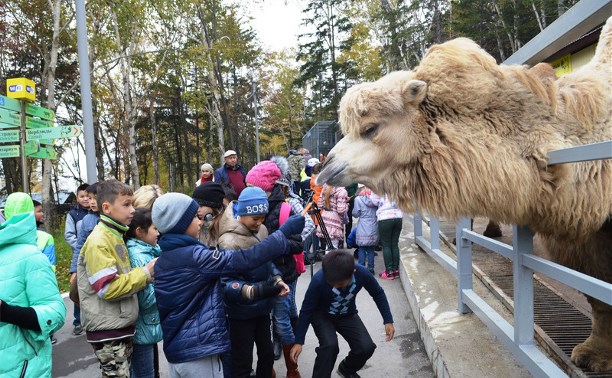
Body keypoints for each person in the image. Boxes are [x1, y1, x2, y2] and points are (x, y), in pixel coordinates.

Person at [151, 192, 304, 378]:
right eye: (195, 217)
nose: (200, 222)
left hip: (177, 353)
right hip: (201, 352)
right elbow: (246, 258)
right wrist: (283, 233)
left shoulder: (162, 259)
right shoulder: (197, 258)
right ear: (180, 224)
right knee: (242, 362)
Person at [77, 179, 156, 377]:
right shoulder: (99, 240)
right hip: (108, 331)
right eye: (126, 204)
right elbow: (107, 289)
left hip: (118, 328)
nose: (132, 210)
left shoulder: (114, 235)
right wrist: (145, 274)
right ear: (107, 207)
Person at [218, 187, 290, 378]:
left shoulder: (262, 230)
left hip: (263, 309)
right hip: (240, 313)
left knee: (267, 355)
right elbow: (226, 283)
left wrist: (277, 279)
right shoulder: (228, 241)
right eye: (255, 219)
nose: (259, 223)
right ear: (242, 213)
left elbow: (267, 261)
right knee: (242, 360)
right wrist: (253, 291)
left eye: (262, 218)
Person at [290, 250, 395, 378]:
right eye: (331, 282)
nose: (334, 285)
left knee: (366, 347)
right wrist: (299, 341)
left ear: (352, 273)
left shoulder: (362, 273)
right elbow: (306, 310)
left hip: (347, 314)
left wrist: (388, 320)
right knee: (330, 346)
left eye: (339, 284)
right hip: (322, 315)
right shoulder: (319, 280)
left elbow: (378, 293)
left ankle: (347, 369)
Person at [246, 158, 305, 377]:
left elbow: (298, 244)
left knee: (281, 320)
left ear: (267, 188)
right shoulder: (248, 210)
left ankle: (292, 369)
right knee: (283, 314)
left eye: (254, 186)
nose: (249, 190)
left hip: (283, 273)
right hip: (260, 275)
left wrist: (273, 242)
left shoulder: (284, 210)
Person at [0, 194, 66, 377]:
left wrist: (5, 311)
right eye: (38, 210)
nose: (42, 213)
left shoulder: (33, 253)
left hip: (24, 368)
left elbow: (55, 311)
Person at [125, 208, 162, 378]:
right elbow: (145, 300)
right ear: (140, 231)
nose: (158, 232)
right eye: (154, 228)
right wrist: (168, 288)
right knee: (145, 373)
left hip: (147, 325)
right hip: (142, 328)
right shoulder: (139, 257)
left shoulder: (149, 251)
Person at [371, 193, 404, 280]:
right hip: (398, 216)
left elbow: (373, 201)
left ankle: (389, 272)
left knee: (386, 245)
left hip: (385, 218)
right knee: (394, 244)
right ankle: (396, 271)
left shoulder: (378, 186)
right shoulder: (396, 184)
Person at [352, 185, 378, 274]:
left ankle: (361, 268)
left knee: (362, 248)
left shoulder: (358, 199)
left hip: (363, 225)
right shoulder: (375, 198)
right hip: (374, 224)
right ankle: (371, 269)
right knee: (371, 249)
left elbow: (355, 213)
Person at [192, 182, 226, 246]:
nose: (198, 209)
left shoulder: (225, 225)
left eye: (201, 206)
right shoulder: (197, 224)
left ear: (213, 206)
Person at [317, 184, 349, 250]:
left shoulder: (325, 188)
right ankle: (332, 260)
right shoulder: (341, 191)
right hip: (335, 220)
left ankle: (327, 259)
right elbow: (341, 210)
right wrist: (346, 204)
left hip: (325, 217)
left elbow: (320, 204)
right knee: (334, 245)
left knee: (328, 245)